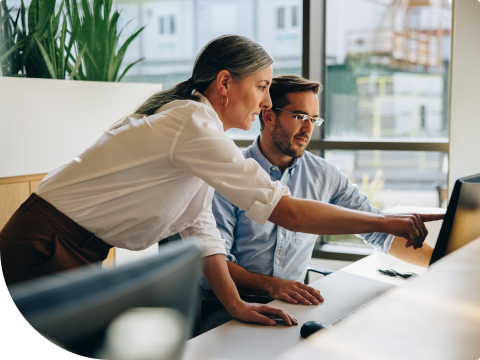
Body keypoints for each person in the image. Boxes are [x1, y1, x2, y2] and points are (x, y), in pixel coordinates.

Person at [0, 35, 441, 328]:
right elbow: (285, 211)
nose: (267, 101)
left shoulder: (201, 136)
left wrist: (237, 305)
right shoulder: (192, 124)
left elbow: (201, 231)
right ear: (225, 83)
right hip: (47, 242)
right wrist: (386, 223)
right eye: (263, 87)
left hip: (72, 246)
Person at [199, 74, 437, 332]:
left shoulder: (324, 175)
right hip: (229, 304)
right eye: (300, 117)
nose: (308, 129)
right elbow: (214, 261)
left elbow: (379, 231)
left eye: (314, 119)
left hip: (293, 305)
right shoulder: (230, 173)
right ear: (268, 116)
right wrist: (274, 285)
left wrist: (441, 264)